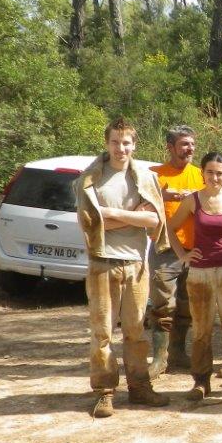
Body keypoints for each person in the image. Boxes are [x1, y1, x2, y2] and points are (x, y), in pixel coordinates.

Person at [76, 118, 170, 418]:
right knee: (102, 332)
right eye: (115, 142)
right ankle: (104, 392)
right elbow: (89, 222)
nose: (121, 148)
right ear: (107, 143)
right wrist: (133, 216)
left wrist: (110, 214)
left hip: (135, 262)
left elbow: (155, 220)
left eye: (126, 142)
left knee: (135, 331)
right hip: (102, 261)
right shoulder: (90, 179)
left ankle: (139, 387)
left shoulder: (144, 177)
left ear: (134, 144)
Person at [167, 152, 222, 401]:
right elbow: (171, 227)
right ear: (202, 173)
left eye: (220, 173)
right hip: (200, 272)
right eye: (210, 172)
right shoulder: (193, 200)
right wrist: (183, 255)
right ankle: (201, 381)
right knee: (202, 329)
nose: (215, 177)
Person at [148, 125, 204, 377]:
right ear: (170, 147)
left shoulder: (201, 174)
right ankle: (159, 358)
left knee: (187, 304)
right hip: (165, 249)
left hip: (195, 249)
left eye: (191, 144)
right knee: (162, 304)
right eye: (184, 144)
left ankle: (178, 353)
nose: (189, 148)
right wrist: (165, 196)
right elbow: (143, 204)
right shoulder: (155, 175)